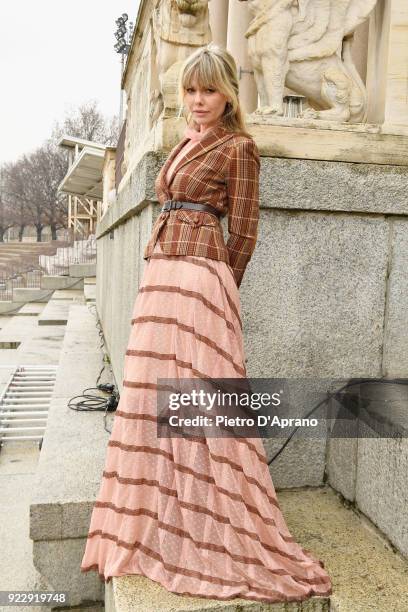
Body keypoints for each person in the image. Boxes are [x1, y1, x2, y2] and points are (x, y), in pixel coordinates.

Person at [80, 43, 333, 604]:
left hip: (200, 278)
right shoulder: (183, 144)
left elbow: (243, 229)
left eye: (209, 91)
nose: (198, 101)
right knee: (151, 397)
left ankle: (217, 520)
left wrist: (221, 293)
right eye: (190, 91)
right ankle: (162, 515)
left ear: (227, 96)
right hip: (162, 276)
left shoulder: (239, 148)